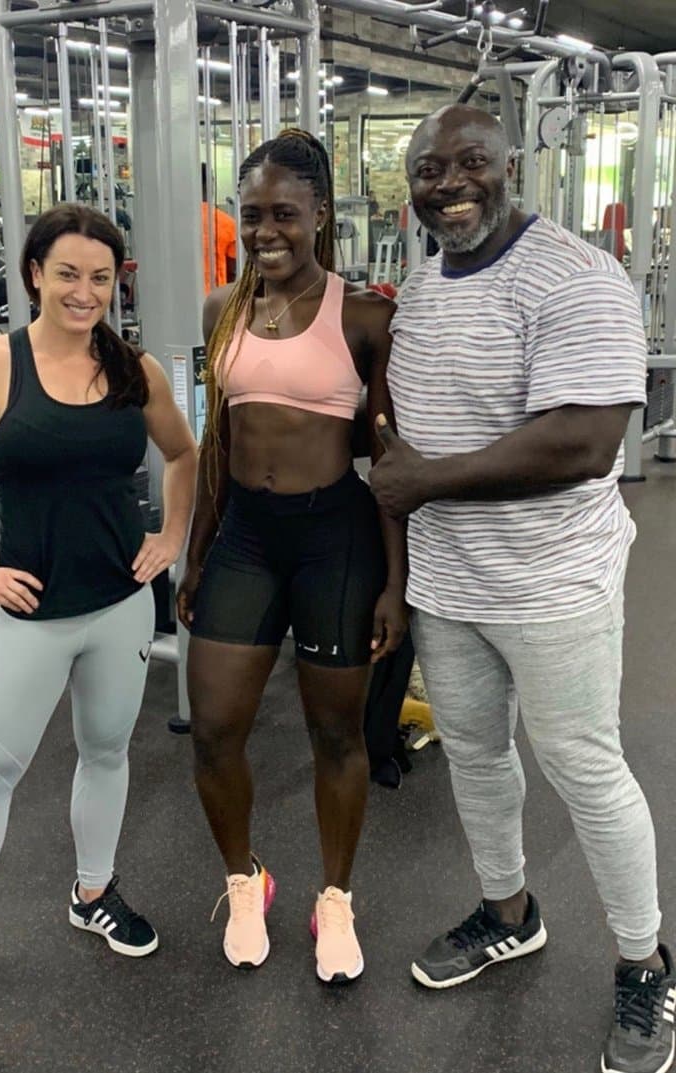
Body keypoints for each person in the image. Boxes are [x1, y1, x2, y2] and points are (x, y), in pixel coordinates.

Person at [370, 104, 673, 1073]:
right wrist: (401, 568)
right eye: (427, 167)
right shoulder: (420, 288)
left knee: (582, 765)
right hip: (449, 582)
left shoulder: (575, 277)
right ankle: (508, 910)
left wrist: (427, 483)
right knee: (471, 753)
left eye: (469, 163)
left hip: (552, 582)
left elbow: (584, 442)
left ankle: (643, 959)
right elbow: (401, 442)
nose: (446, 180)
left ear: (512, 168)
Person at [0, 203, 197, 1029]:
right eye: (67, 274)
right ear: (34, 275)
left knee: (107, 753)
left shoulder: (135, 371)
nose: (84, 292)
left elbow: (186, 452)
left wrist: (171, 534)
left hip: (123, 606)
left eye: (100, 277)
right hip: (30, 615)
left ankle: (93, 891)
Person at [176, 129, 408, 985]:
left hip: (334, 537)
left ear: (319, 214)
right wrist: (196, 556)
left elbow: (386, 460)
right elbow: (217, 441)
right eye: (252, 215)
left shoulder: (365, 316)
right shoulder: (220, 312)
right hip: (245, 537)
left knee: (335, 732)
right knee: (213, 730)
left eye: (283, 213)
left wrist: (396, 582)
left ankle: (335, 899)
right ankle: (246, 880)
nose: (266, 230)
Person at [201, 163, 237, 294]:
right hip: (216, 298)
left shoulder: (176, 223)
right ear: (211, 185)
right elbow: (232, 271)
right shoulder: (227, 223)